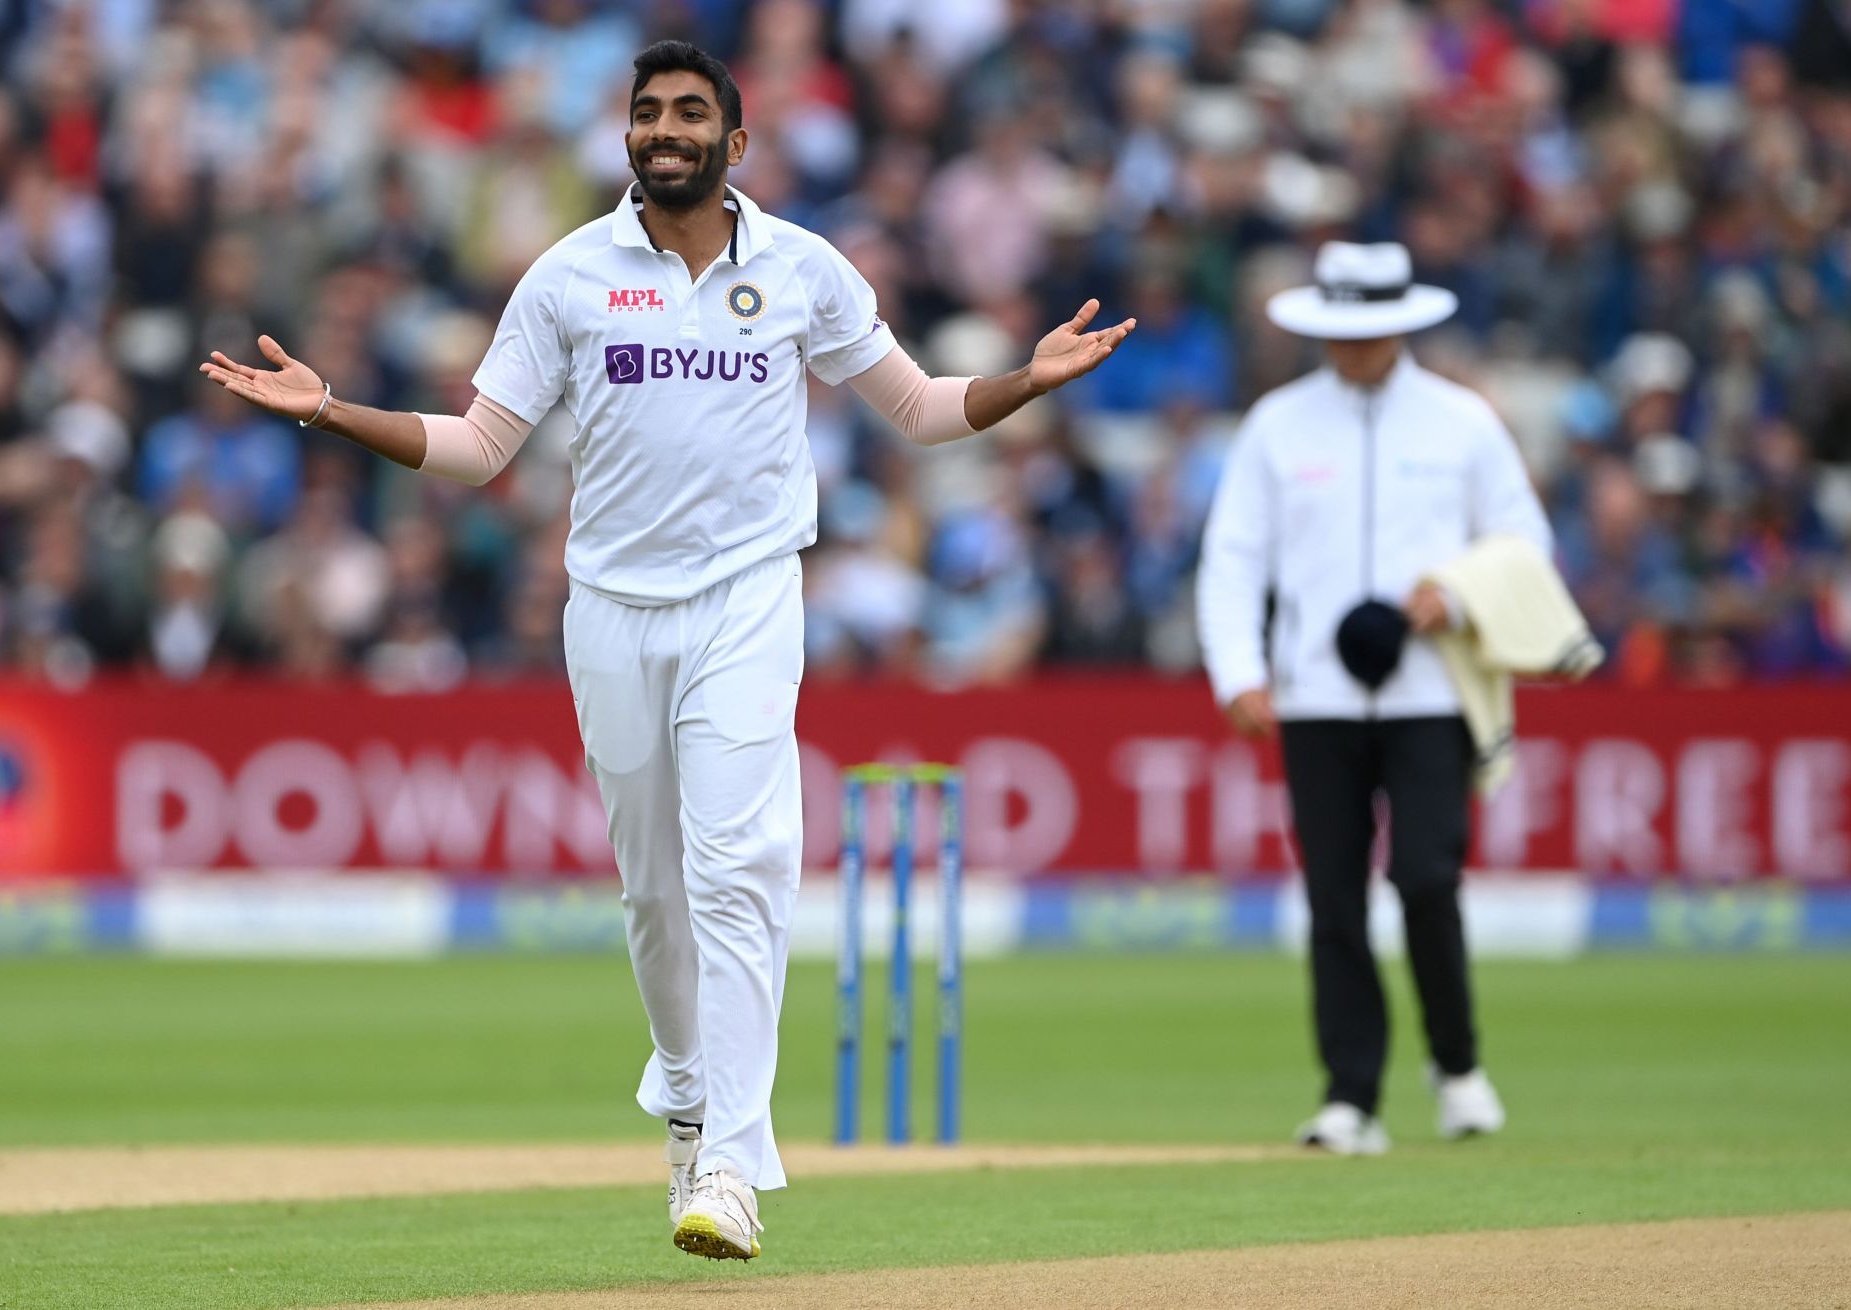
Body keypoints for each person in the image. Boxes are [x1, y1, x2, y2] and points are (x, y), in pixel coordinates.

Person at [199, 40, 1132, 1260]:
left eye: (692, 112)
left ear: (736, 144)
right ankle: (688, 1093)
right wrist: (331, 410)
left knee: (741, 864)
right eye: (648, 113)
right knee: (654, 889)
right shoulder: (568, 274)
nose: (666, 130)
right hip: (612, 610)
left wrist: (1024, 380)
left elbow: (916, 408)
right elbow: (482, 445)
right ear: (629, 136)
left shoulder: (805, 267)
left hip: (748, 597)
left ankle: (732, 1165)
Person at [1195, 242, 1550, 1155]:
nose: (1352, 350)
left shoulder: (1462, 423)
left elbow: (1524, 541)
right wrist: (1238, 669)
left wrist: (1456, 596)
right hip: (1314, 693)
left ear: (1402, 326)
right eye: (1339, 334)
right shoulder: (1278, 424)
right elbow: (1234, 556)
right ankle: (1350, 1094)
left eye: (1370, 334)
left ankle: (1458, 1066)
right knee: (1333, 896)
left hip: (1432, 689)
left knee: (1429, 877)